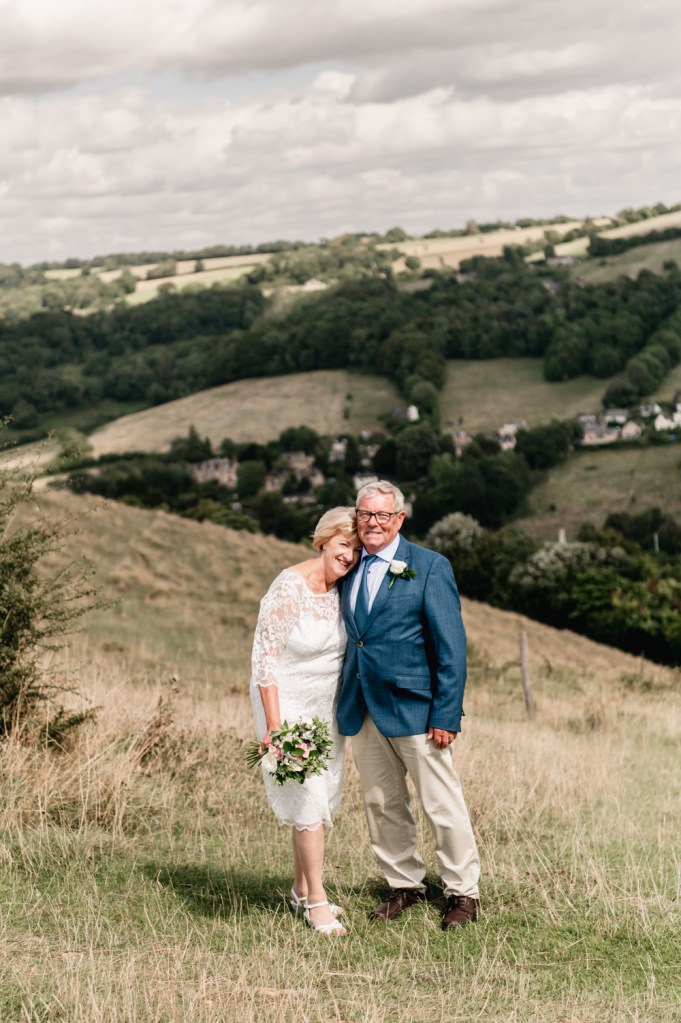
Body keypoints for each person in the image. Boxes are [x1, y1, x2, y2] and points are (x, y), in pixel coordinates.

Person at [337, 480, 480, 930]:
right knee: (381, 802)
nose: (372, 523)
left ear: (399, 519)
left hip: (417, 710)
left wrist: (445, 712)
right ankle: (404, 885)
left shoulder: (429, 567)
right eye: (365, 515)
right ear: (356, 518)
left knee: (442, 804)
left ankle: (463, 893)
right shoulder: (350, 566)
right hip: (363, 708)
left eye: (382, 515)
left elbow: (451, 648)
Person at [250, 507, 361, 936]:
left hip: (325, 707)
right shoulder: (288, 588)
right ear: (323, 542)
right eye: (342, 546)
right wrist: (275, 727)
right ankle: (317, 900)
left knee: (319, 795)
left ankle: (298, 888)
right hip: (286, 703)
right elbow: (265, 660)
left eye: (355, 549)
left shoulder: (342, 590)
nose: (348, 555)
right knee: (310, 798)